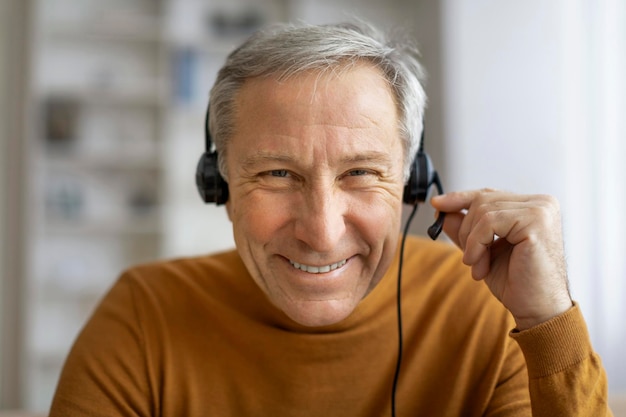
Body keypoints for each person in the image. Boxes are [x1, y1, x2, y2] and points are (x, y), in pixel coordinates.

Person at [49, 21, 612, 416]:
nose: (320, 232)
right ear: (218, 185)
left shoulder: (487, 314)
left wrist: (548, 320)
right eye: (276, 174)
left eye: (361, 173)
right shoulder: (143, 316)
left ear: (412, 183)